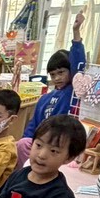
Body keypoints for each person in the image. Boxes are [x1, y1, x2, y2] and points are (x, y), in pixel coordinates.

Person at [18, 11, 87, 162]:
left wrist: (76, 32)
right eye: (53, 75)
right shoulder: (45, 99)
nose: (57, 78)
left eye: (61, 72)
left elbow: (79, 65)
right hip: (42, 144)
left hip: (60, 145)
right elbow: (33, 126)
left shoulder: (73, 91)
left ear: (70, 71)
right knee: (22, 143)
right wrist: (29, 141)